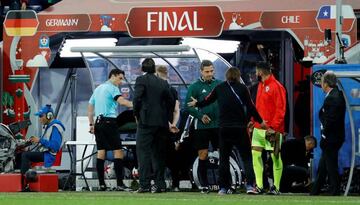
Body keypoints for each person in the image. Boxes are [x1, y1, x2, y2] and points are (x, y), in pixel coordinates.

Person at [188, 67, 266, 195]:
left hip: (224, 129)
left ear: (226, 76)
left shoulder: (220, 87)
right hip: (240, 128)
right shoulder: (243, 88)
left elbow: (208, 100)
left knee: (224, 158)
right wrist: (260, 121)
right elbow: (251, 106)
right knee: (246, 158)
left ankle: (223, 187)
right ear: (238, 76)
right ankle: (250, 186)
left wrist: (197, 104)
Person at [133, 58, 174, 193]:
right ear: (154, 68)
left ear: (142, 69)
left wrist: (137, 115)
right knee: (159, 154)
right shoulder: (163, 83)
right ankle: (160, 185)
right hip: (161, 123)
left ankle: (144, 185)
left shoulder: (141, 80)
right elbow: (170, 101)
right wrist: (166, 117)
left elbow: (137, 99)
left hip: (145, 121)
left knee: (143, 153)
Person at [88, 68, 133, 191]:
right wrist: (136, 104)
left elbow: (90, 107)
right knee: (118, 152)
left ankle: (102, 184)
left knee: (101, 152)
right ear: (113, 76)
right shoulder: (113, 88)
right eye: (120, 78)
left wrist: (91, 124)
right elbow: (122, 102)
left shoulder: (98, 88)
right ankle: (119, 184)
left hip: (98, 123)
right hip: (109, 122)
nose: (120, 82)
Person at [250, 61, 286, 195]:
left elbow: (281, 109)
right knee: (255, 155)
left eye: (256, 71)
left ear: (261, 72)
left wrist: (274, 127)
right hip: (258, 129)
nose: (255, 73)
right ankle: (259, 186)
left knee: (275, 157)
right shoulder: (260, 85)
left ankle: (276, 187)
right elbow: (258, 107)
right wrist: (253, 121)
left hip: (272, 129)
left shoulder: (277, 87)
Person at [185, 60, 221, 193]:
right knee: (203, 154)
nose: (209, 74)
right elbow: (187, 106)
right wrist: (201, 116)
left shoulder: (219, 84)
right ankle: (204, 185)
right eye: (207, 71)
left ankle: (225, 184)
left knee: (223, 154)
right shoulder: (194, 87)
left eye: (211, 71)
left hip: (218, 126)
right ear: (201, 71)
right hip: (202, 127)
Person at [310, 71, 346, 196]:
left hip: (331, 138)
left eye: (322, 82)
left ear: (326, 84)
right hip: (334, 137)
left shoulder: (333, 97)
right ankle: (315, 190)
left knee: (330, 166)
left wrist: (324, 135)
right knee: (324, 165)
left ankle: (334, 190)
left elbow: (330, 120)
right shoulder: (336, 95)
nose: (321, 85)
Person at [20, 104, 65, 190]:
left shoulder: (55, 127)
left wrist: (40, 140)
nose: (40, 119)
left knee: (25, 156)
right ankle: (24, 182)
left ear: (49, 116)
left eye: (41, 116)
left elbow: (55, 146)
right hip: (46, 153)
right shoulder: (50, 127)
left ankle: (23, 184)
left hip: (49, 156)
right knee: (21, 154)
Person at [156, 65, 181, 191]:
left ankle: (159, 184)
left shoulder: (157, 89)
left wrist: (167, 124)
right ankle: (176, 184)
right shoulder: (173, 90)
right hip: (171, 129)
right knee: (173, 157)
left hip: (160, 127)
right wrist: (173, 124)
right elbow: (177, 110)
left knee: (158, 156)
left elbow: (157, 110)